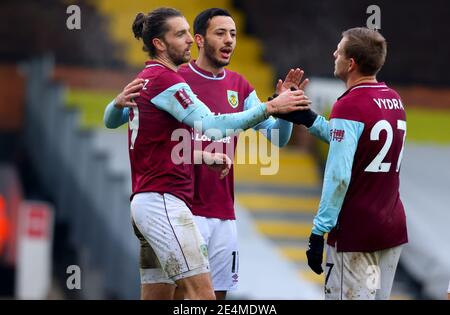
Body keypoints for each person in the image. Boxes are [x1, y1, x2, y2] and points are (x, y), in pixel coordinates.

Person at [103, 7, 310, 300]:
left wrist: (286, 111)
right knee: (200, 296)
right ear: (201, 39)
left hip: (217, 209)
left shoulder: (237, 84)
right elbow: (212, 126)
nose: (229, 40)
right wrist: (271, 106)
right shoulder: (174, 79)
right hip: (178, 205)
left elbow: (276, 138)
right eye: (220, 33)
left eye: (234, 34)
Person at [279, 27, 408, 300]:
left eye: (339, 49)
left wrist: (318, 231)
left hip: (356, 234)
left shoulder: (349, 105)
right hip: (390, 228)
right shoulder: (394, 99)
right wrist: (308, 118)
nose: (334, 53)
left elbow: (339, 176)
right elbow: (356, 142)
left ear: (350, 63)